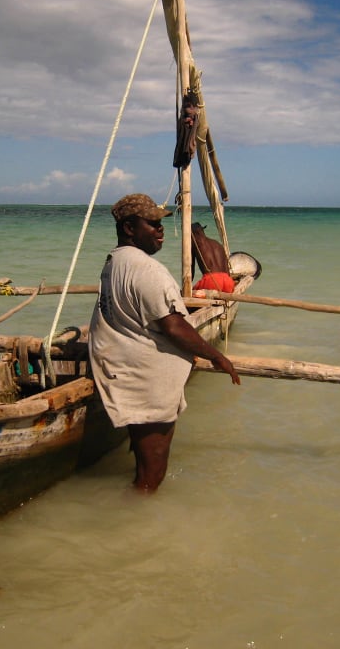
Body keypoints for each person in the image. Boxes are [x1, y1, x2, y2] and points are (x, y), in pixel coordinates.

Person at [89, 193, 241, 492]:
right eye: (152, 223)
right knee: (152, 473)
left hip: (125, 371)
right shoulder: (147, 270)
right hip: (147, 381)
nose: (160, 230)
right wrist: (216, 356)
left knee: (145, 460)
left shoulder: (115, 261)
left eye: (161, 223)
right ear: (129, 228)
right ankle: (138, 523)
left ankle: (131, 515)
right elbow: (173, 326)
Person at [191, 222, 236, 293]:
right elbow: (227, 269)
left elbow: (190, 271)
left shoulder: (196, 245)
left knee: (193, 292)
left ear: (193, 235)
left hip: (212, 281)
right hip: (228, 281)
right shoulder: (217, 244)